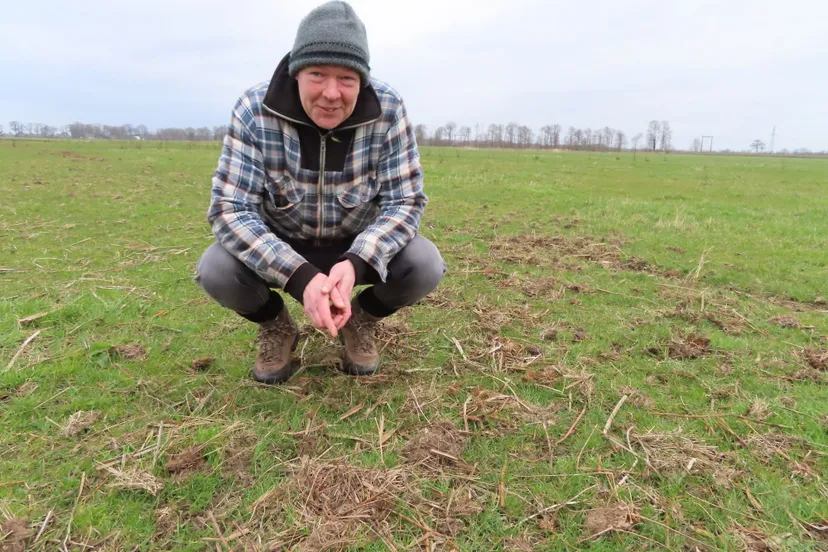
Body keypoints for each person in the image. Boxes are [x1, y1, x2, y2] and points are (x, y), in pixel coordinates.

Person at [195, 1, 445, 384]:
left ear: (362, 80)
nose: (332, 93)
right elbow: (230, 209)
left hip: (355, 244)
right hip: (282, 245)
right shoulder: (253, 111)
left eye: (347, 78)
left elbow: (405, 201)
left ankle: (359, 319)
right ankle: (276, 326)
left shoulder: (389, 110)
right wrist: (298, 275)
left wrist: (358, 262)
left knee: (425, 264)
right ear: (296, 72)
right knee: (216, 270)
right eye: (317, 74)